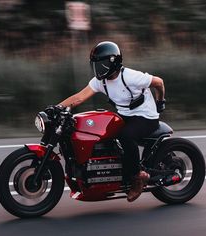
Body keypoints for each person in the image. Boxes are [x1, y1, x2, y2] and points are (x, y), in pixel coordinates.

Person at [58, 41, 165, 202]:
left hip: (146, 116)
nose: (98, 69)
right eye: (95, 65)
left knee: (126, 136)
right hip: (125, 115)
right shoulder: (100, 81)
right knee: (104, 135)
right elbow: (79, 98)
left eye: (101, 65)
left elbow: (159, 82)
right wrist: (57, 107)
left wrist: (160, 102)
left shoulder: (130, 77)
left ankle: (138, 177)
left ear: (113, 63)